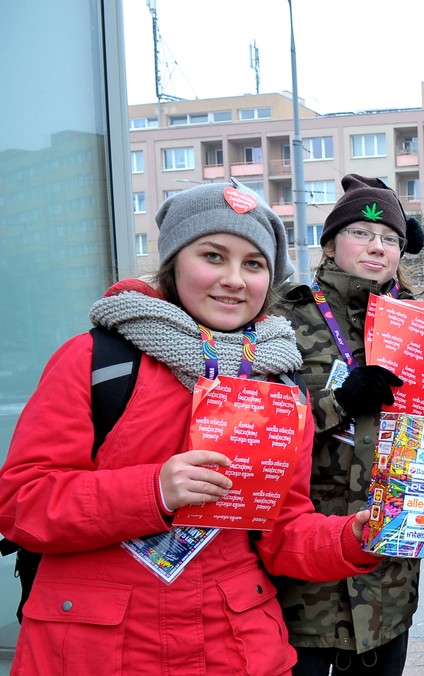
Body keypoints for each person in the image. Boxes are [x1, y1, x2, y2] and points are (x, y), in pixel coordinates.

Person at [0, 181, 380, 675]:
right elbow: (21, 503)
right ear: (174, 264)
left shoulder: (281, 383)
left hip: (232, 647)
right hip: (97, 650)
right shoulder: (98, 361)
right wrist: (152, 490)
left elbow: (282, 529)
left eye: (253, 264)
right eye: (213, 256)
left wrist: (354, 538)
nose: (234, 280)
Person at [272, 174, 424, 674]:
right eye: (362, 233)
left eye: (390, 239)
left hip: (388, 573)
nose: (377, 247)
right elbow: (256, 433)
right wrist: (338, 401)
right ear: (331, 242)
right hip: (307, 570)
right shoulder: (282, 318)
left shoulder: (418, 326)